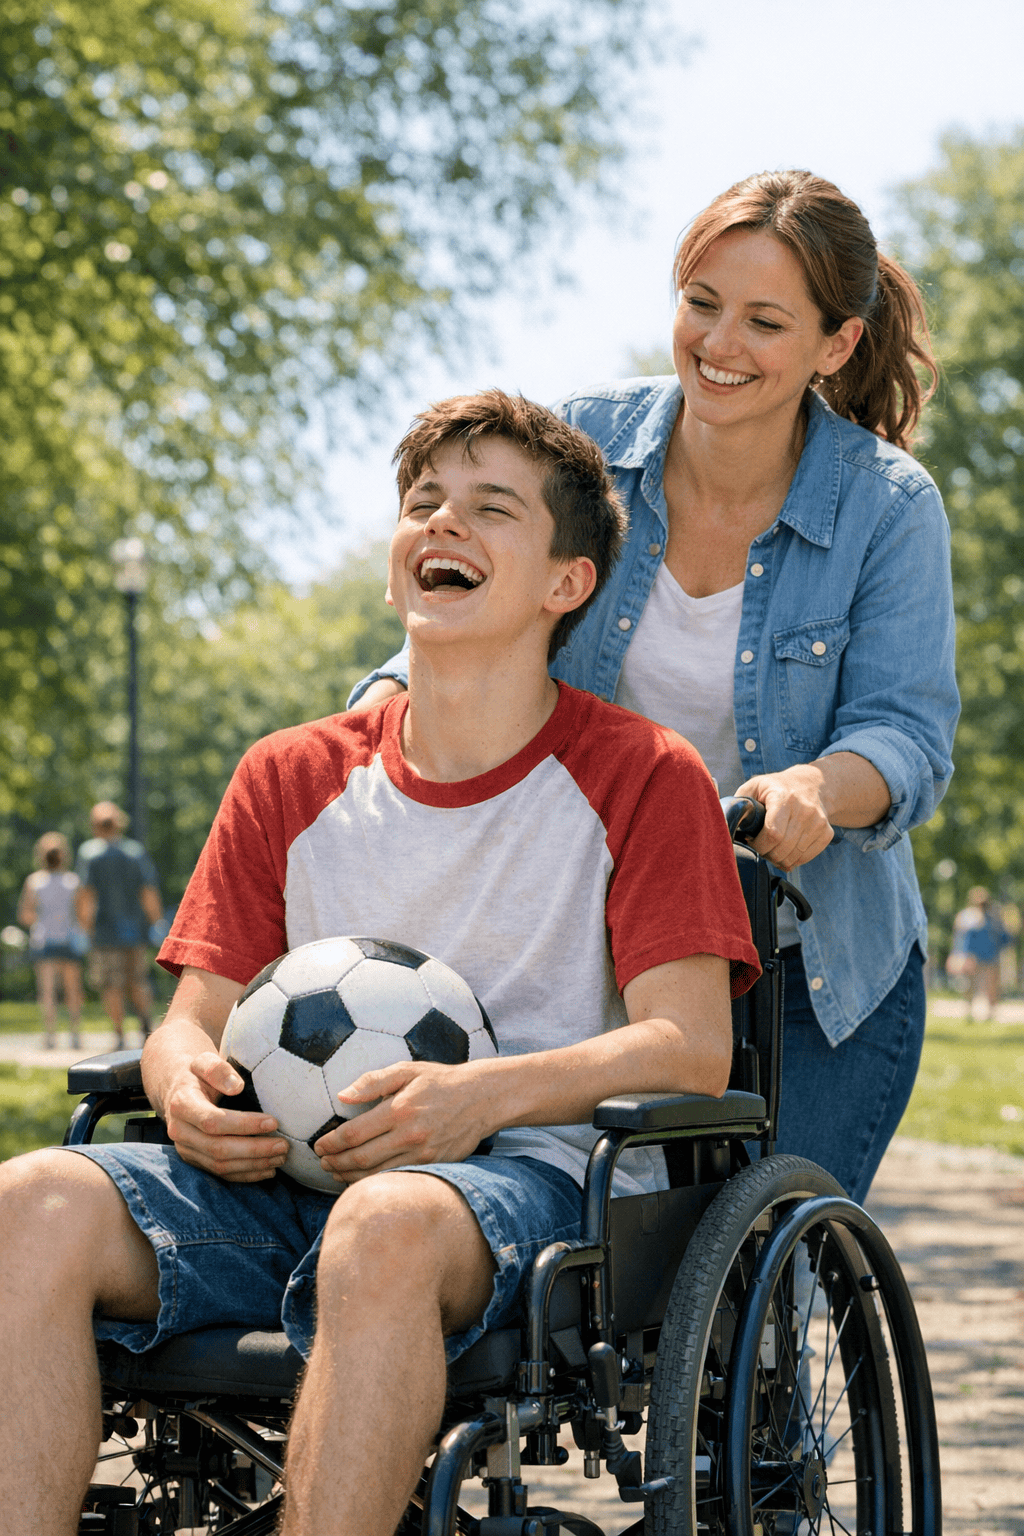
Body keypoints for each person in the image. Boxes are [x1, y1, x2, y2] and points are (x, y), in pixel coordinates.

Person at [0, 391, 760, 1536]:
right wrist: (181, 1090)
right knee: (30, 1199)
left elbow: (691, 1046)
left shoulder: (644, 777)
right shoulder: (289, 774)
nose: (442, 525)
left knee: (384, 1225)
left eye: (489, 509)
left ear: (566, 583)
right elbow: (188, 1019)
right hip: (275, 1191)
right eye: (423, 504)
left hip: (528, 1191)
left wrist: (474, 1099)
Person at [351, 170, 961, 1207]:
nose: (719, 345)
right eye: (700, 304)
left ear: (834, 344)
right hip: (593, 950)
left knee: (748, 1288)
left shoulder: (886, 506)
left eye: (765, 321)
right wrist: (376, 712)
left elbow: (905, 736)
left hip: (809, 975)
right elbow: (486, 605)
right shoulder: (587, 443)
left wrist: (816, 786)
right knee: (588, 1267)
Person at [75, 801, 163, 1049]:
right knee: (138, 980)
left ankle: (119, 1034)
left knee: (110, 985)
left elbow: (87, 895)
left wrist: (84, 928)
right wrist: (157, 922)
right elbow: (148, 892)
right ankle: (146, 1026)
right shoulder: (134, 852)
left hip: (104, 933)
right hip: (134, 931)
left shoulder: (89, 854)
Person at [16, 832, 84, 1050]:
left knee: (47, 990)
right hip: (69, 939)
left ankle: (50, 1035)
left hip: (44, 940)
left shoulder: (34, 881)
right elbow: (82, 914)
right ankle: (75, 1034)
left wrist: (42, 919)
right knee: (72, 989)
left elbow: (25, 914)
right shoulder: (73, 881)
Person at [947, 886, 1009, 1019]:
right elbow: (959, 938)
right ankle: (969, 1011)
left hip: (990, 956)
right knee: (969, 986)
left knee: (991, 987)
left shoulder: (994, 917)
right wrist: (957, 955)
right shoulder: (966, 916)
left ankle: (990, 1013)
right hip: (972, 957)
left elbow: (1003, 937)